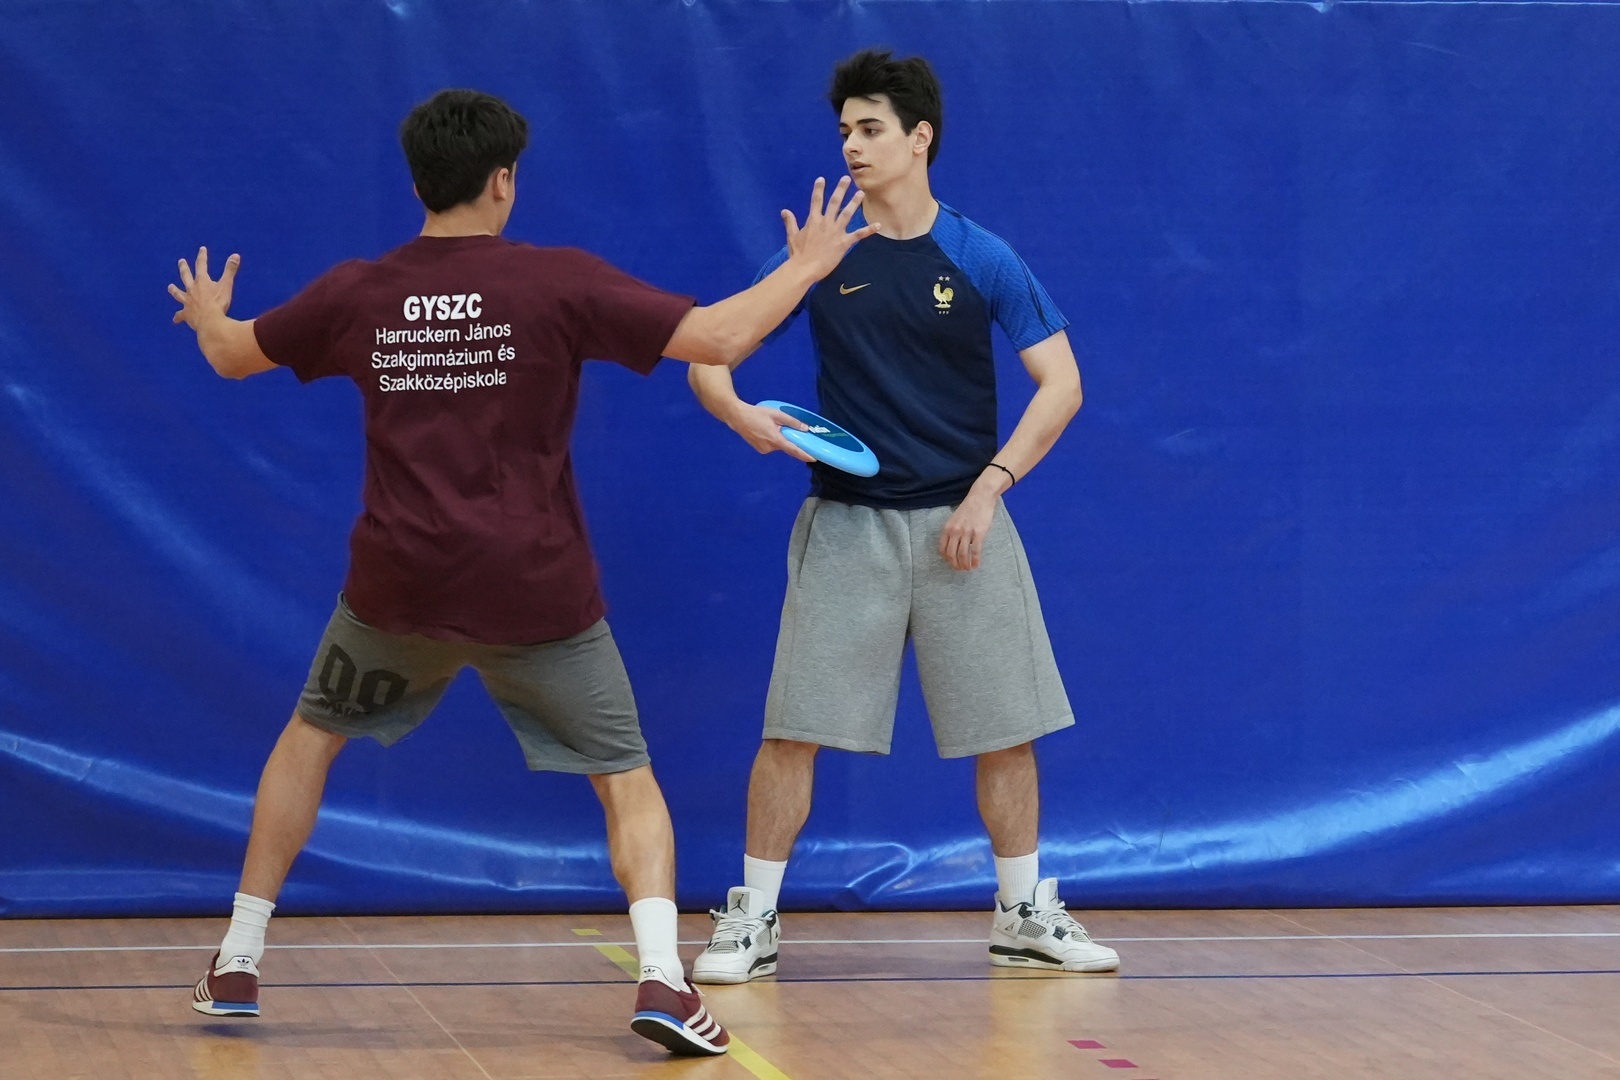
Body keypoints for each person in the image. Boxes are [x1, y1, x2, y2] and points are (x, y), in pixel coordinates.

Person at [167, 88, 874, 1056]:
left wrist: (210, 313)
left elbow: (229, 356)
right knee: (626, 781)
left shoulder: (357, 292)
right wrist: (806, 265)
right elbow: (718, 338)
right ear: (503, 181)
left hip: (398, 590)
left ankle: (238, 959)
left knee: (310, 740)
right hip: (535, 593)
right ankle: (664, 983)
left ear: (419, 182)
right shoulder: (555, 282)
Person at [687, 49, 1119, 984]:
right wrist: (741, 416)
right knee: (792, 730)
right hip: (848, 527)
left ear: (919, 137)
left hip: (967, 526)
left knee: (1007, 730)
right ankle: (751, 921)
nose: (852, 145)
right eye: (844, 130)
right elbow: (709, 352)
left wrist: (990, 487)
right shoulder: (819, 258)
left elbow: (1063, 383)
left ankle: (1022, 914)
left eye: (870, 128)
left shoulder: (979, 254)